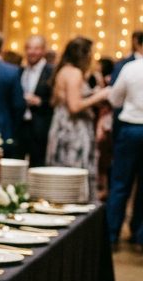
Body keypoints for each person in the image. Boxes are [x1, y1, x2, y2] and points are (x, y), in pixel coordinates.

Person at [46, 37, 112, 187]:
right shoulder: (74, 73)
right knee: (74, 175)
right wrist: (99, 96)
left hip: (62, 126)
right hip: (73, 130)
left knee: (62, 174)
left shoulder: (64, 70)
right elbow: (74, 106)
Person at [108, 38, 143, 247]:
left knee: (120, 183)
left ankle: (112, 234)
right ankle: (140, 236)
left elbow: (114, 99)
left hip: (131, 129)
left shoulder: (130, 68)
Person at [17, 35, 54, 166]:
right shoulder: (20, 70)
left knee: (38, 164)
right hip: (21, 125)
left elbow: (56, 100)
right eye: (29, 48)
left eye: (36, 48)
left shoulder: (52, 71)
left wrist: (40, 102)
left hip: (41, 126)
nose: (32, 52)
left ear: (43, 50)